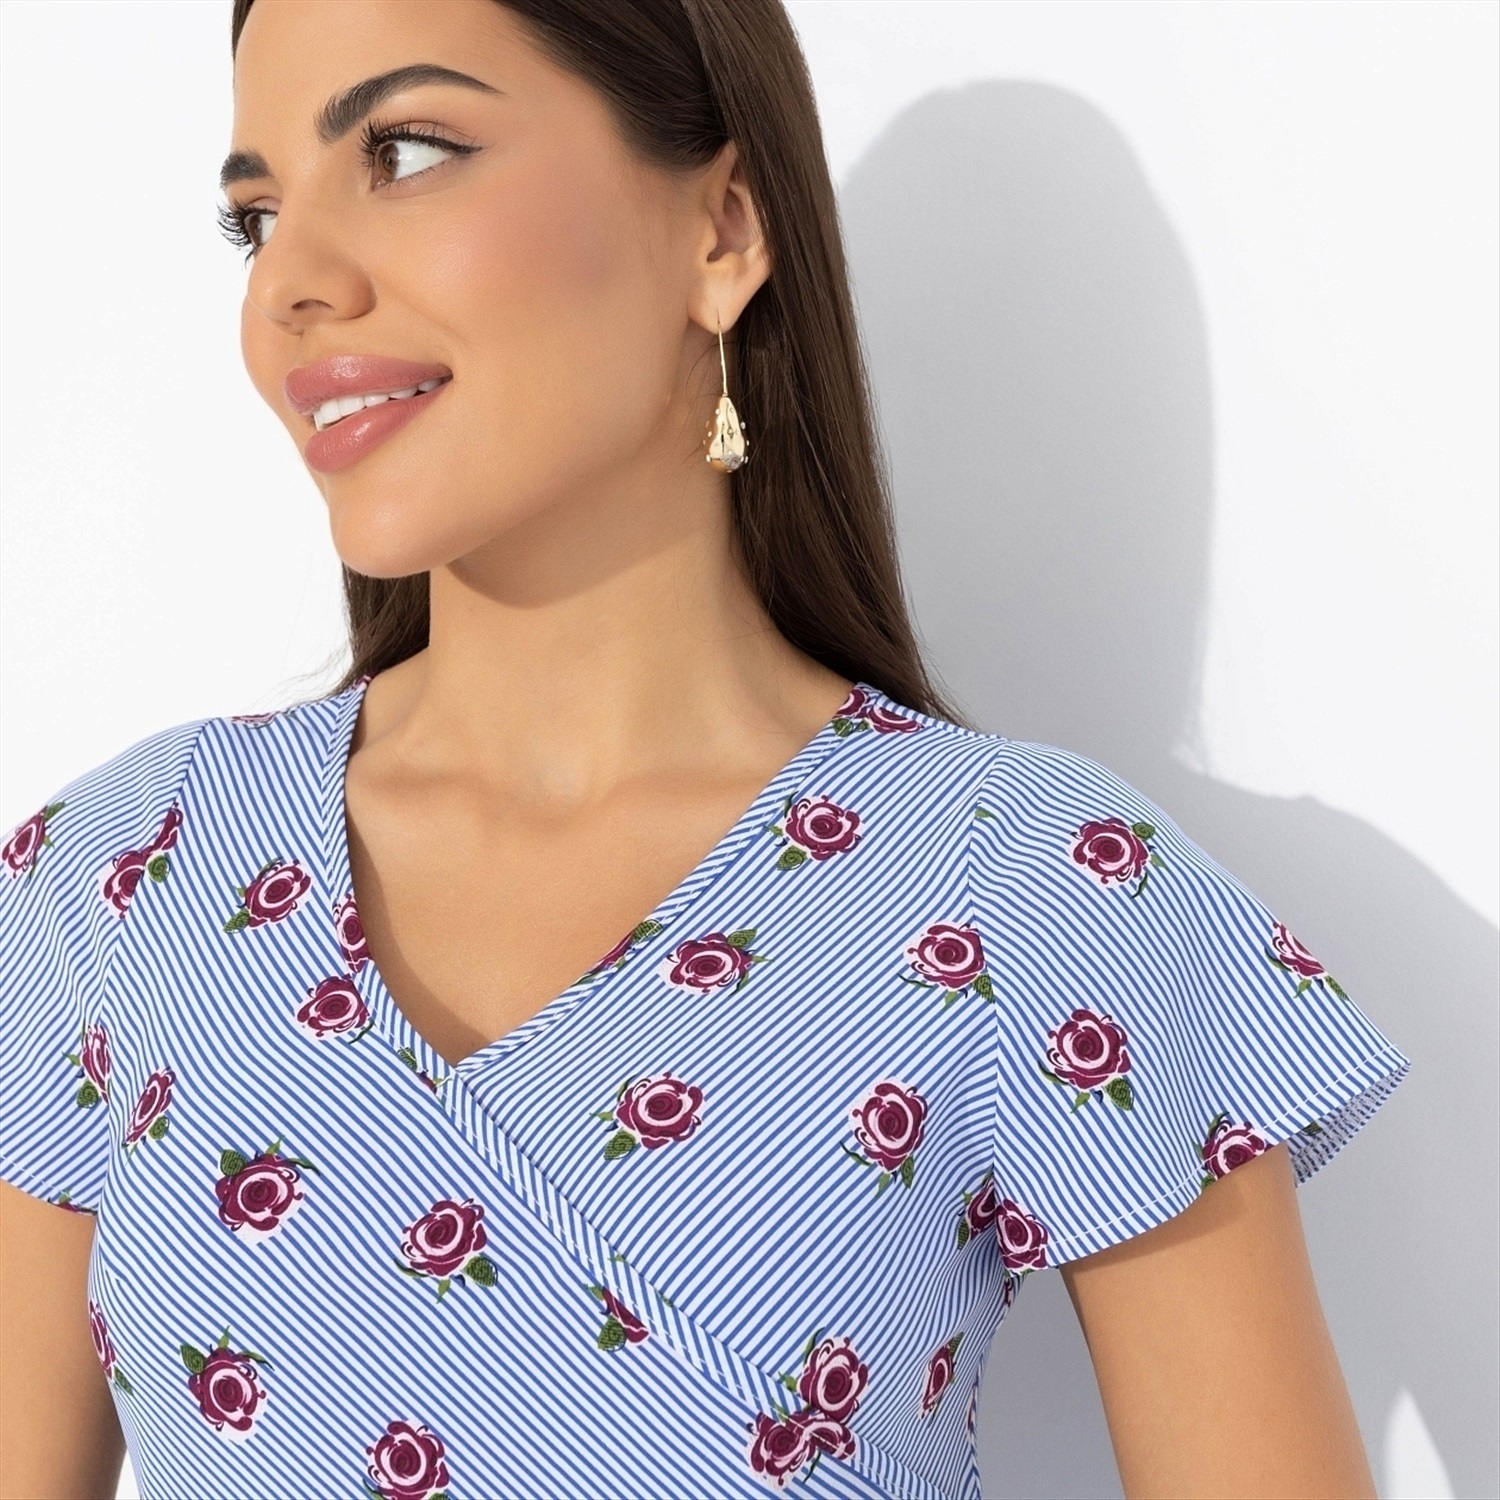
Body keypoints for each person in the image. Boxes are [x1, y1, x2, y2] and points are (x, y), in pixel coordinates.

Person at [0, 2, 1411, 1497]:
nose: (290, 281)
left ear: (723, 229)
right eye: (257, 216)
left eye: (406, 152)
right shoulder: (117, 880)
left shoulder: (1035, 889)